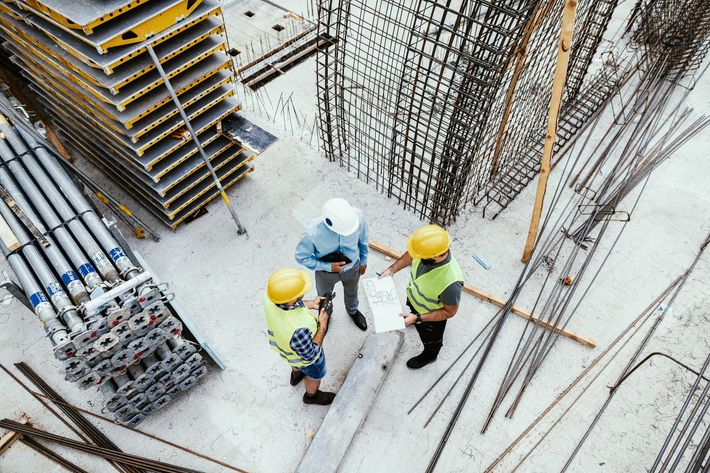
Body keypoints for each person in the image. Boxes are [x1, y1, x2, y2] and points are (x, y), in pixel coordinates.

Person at [379, 225, 464, 369]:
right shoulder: (427, 252)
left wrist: (418, 318)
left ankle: (429, 356)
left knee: (431, 340)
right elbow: (412, 254)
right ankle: (413, 318)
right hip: (415, 301)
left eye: (421, 255)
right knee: (412, 314)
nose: (416, 257)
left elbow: (450, 312)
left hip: (431, 318)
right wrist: (392, 269)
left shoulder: (451, 283)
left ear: (437, 256)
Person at [264, 268, 336, 405]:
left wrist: (311, 304)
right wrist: (323, 324)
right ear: (292, 299)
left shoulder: (270, 297)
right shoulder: (298, 330)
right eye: (301, 292)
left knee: (295, 362)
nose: (304, 291)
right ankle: (311, 396)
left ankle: (296, 375)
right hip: (307, 359)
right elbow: (310, 355)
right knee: (314, 375)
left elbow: (288, 305)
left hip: (285, 349)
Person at [295, 198, 369, 331]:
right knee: (324, 298)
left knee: (352, 291)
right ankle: (326, 316)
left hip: (352, 268)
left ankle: (352, 311)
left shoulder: (357, 217)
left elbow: (363, 239)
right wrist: (327, 267)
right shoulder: (312, 232)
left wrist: (363, 259)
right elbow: (301, 256)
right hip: (325, 274)